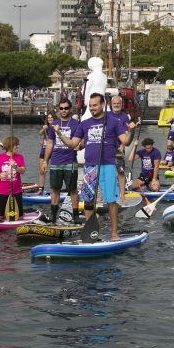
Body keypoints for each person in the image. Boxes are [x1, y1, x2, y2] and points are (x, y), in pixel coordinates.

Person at [54, 93, 136, 240]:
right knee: (88, 200)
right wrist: (59, 133)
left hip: (108, 165)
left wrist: (131, 131)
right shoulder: (84, 124)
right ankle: (91, 232)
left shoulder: (113, 121)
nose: (92, 108)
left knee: (111, 200)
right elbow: (73, 143)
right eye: (90, 105)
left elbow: (126, 141)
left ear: (103, 105)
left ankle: (114, 234)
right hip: (90, 167)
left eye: (95, 105)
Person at [44, 98, 80, 224]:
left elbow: (80, 141)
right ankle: (53, 216)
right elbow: (49, 144)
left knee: (73, 190)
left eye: (66, 108)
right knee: (55, 189)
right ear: (59, 110)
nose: (63, 110)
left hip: (70, 161)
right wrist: (45, 161)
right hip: (56, 162)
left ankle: (76, 216)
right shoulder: (53, 124)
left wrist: (80, 146)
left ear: (70, 109)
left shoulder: (76, 124)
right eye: (61, 108)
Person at [0, 136, 26, 221]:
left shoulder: (20, 157)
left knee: (19, 217)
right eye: (16, 145)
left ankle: (19, 212)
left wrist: (16, 167)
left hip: (16, 190)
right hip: (1, 191)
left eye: (18, 145)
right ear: (10, 146)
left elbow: (23, 171)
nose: (18, 147)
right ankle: (4, 213)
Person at [110, 95, 132, 200]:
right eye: (114, 103)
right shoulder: (107, 115)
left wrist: (122, 146)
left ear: (121, 104)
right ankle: (102, 195)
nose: (116, 105)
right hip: (107, 148)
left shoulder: (124, 117)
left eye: (118, 103)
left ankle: (122, 195)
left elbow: (126, 132)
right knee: (105, 171)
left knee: (121, 171)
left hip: (119, 148)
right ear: (111, 104)